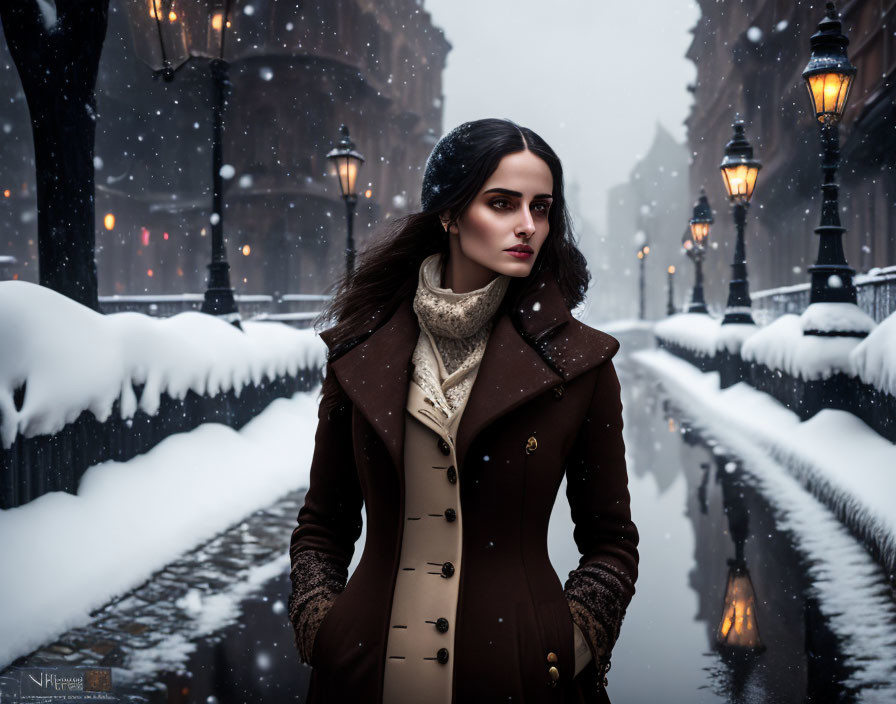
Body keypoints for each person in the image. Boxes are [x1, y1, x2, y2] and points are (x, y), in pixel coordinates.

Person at [287, 118, 639, 704]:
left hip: (524, 682)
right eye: (502, 203)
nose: (528, 225)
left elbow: (611, 542)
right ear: (449, 215)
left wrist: (570, 640)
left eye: (542, 207)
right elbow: (323, 526)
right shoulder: (358, 353)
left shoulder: (582, 364)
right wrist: (323, 629)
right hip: (362, 679)